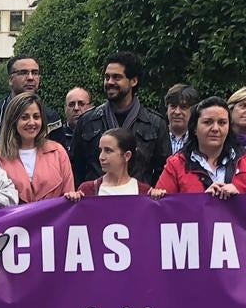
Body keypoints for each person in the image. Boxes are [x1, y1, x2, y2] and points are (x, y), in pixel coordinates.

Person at [71, 52, 167, 185]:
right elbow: (76, 170)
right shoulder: (87, 122)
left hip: (138, 202)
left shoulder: (155, 124)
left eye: (116, 77)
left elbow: (163, 173)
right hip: (96, 201)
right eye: (107, 77)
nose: (109, 82)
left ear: (133, 81)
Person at [156, 96, 246, 197]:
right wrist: (202, 201)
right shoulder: (176, 164)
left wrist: (240, 200)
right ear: (194, 128)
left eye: (222, 123)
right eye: (208, 122)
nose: (215, 129)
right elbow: (162, 210)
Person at [0, 93, 75, 203]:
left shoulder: (58, 152)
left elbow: (69, 196)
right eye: (24, 117)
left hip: (53, 219)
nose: (32, 122)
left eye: (36, 117)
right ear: (13, 121)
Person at [0, 55, 64, 153]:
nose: (30, 78)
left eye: (35, 73)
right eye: (23, 73)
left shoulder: (51, 118)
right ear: (10, 79)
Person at [65, 129, 165, 200]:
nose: (101, 157)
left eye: (108, 151)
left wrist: (159, 199)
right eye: (101, 150)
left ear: (127, 156)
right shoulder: (87, 190)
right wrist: (71, 201)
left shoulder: (145, 192)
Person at [163, 84, 199, 158]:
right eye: (173, 106)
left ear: (193, 111)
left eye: (183, 107)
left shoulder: (199, 139)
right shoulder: (156, 136)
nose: (177, 112)